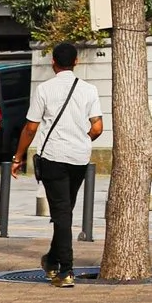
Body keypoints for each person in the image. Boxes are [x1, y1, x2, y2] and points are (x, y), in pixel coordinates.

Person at [14, 41, 104, 287]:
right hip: (79, 158)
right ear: (76, 61)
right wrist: (81, 140)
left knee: (62, 214)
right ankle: (52, 260)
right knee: (64, 212)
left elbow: (31, 127)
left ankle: (66, 271)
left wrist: (18, 157)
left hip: (53, 157)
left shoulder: (44, 89)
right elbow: (97, 127)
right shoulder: (89, 90)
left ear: (53, 62)